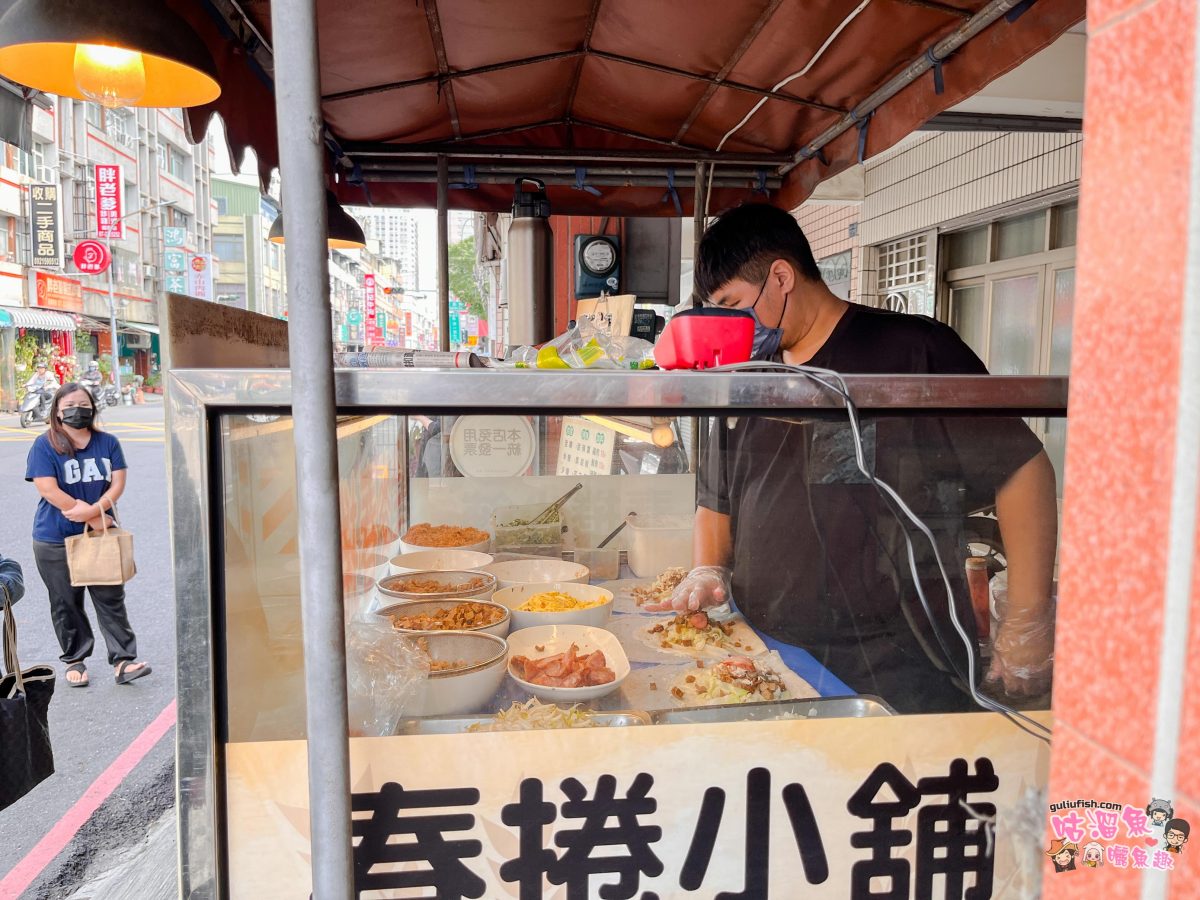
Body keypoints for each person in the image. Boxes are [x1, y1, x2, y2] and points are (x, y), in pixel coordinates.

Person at [648, 203, 1058, 714]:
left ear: (780, 277)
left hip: (897, 661)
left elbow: (1023, 468)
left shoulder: (912, 352)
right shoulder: (747, 375)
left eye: (734, 305)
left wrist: (1025, 617)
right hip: (765, 653)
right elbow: (718, 495)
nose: (731, 326)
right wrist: (707, 567)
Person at [25, 382, 150, 687]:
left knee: (110, 598)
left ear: (93, 407)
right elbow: (47, 488)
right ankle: (75, 659)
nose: (77, 410)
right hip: (54, 537)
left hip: (101, 536)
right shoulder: (45, 445)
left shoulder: (107, 442)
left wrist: (99, 510)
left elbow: (118, 482)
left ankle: (123, 661)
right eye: (69, 405)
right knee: (66, 602)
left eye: (83, 404)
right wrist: (92, 514)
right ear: (57, 411)